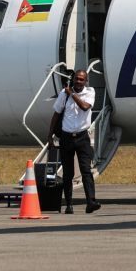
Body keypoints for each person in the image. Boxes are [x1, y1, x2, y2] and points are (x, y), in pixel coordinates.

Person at [48, 69, 100, 214]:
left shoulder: (90, 92)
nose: (78, 81)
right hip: (66, 138)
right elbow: (56, 115)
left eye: (81, 79)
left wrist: (72, 93)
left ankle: (91, 201)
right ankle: (69, 204)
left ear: (86, 81)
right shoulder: (63, 95)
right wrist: (49, 136)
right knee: (68, 173)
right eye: (76, 79)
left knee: (86, 170)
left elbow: (84, 107)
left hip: (82, 137)